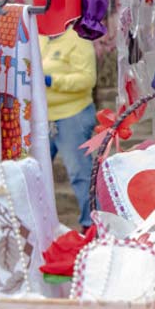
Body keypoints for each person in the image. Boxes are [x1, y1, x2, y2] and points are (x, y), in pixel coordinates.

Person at [40, 27, 97, 231]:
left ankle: (91, 226)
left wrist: (52, 81)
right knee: (34, 173)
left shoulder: (78, 38)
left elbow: (88, 79)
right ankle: (38, 224)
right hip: (42, 118)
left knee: (79, 173)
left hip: (72, 114)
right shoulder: (39, 37)